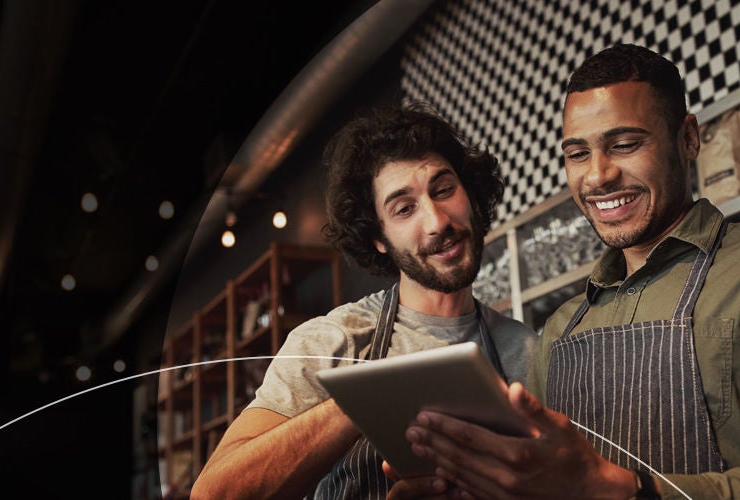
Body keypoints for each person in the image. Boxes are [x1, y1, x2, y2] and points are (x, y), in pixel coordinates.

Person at [402, 43, 740, 498]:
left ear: (688, 137)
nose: (598, 175)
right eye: (577, 154)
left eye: (625, 144)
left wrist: (628, 492)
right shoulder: (561, 329)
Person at [190, 104, 537, 499]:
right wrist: (366, 398)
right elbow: (214, 494)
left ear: (470, 197)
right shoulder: (332, 342)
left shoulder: (527, 352)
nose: (438, 221)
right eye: (404, 209)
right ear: (378, 237)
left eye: (444, 190)